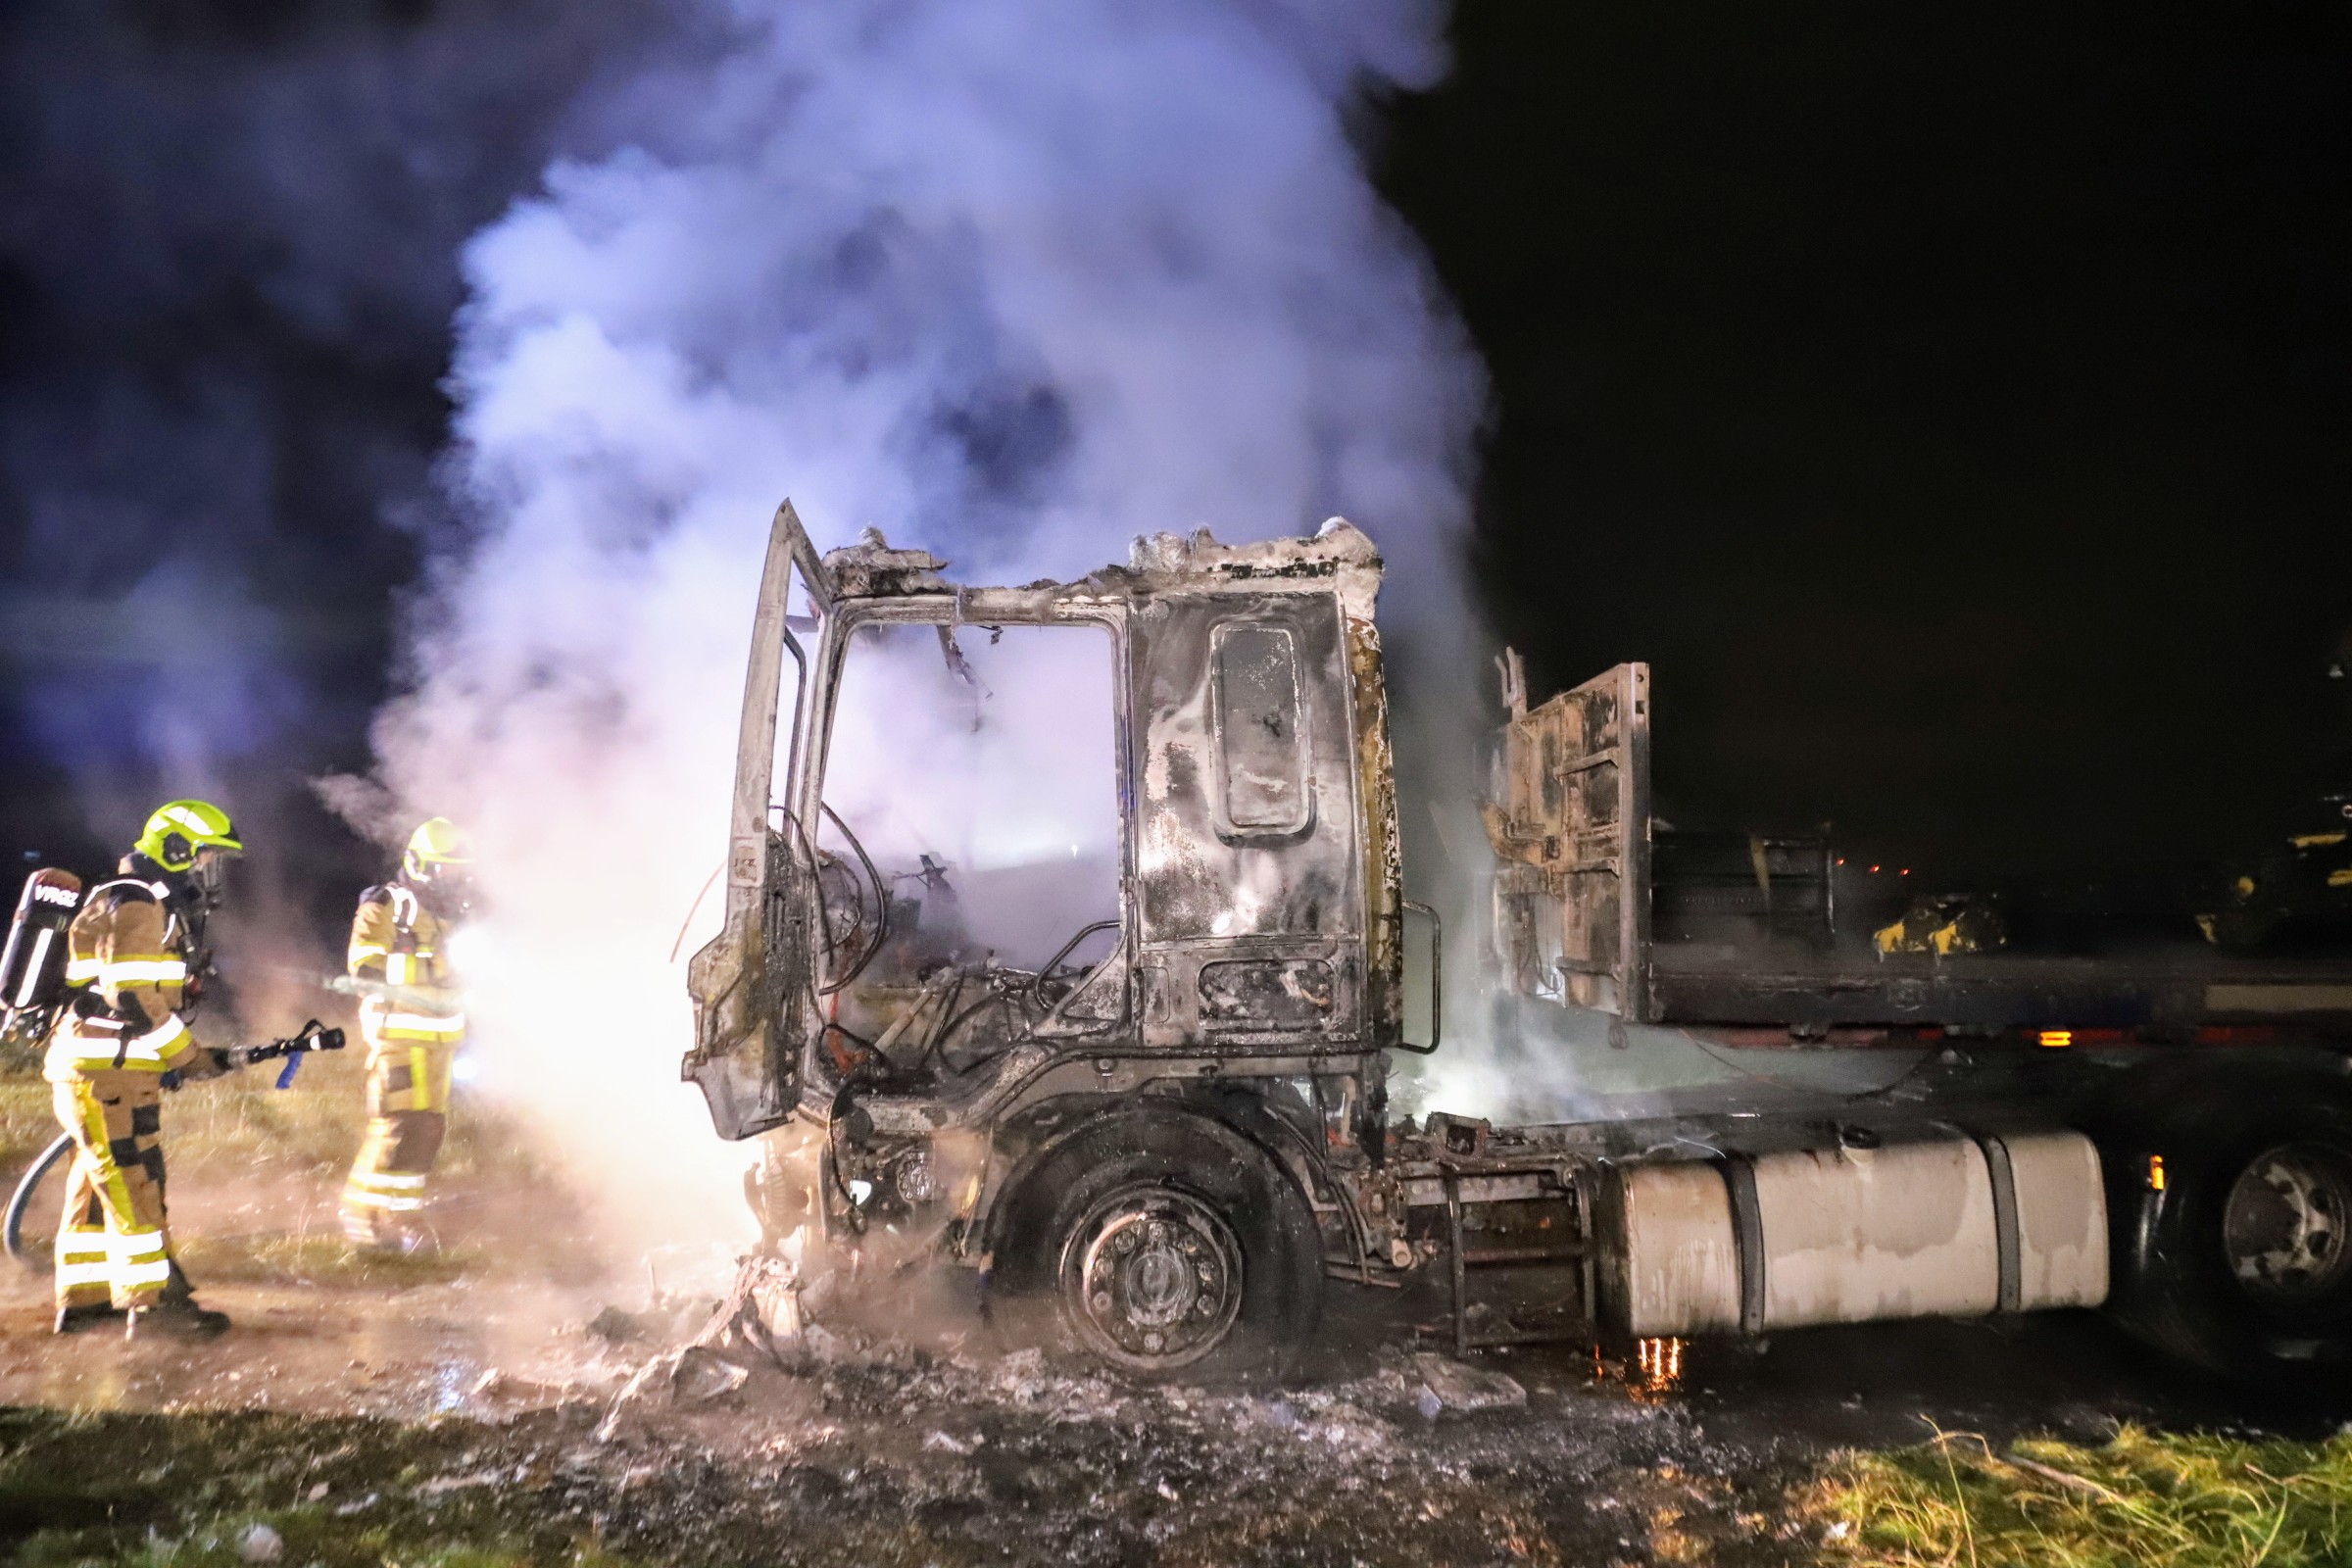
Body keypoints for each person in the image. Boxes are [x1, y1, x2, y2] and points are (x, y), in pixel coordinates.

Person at [47, 800, 243, 1336]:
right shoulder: (138, 903)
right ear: (175, 849)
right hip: (107, 1072)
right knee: (137, 1185)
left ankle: (85, 1302)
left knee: (96, 1186)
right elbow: (130, 994)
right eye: (204, 856)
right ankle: (154, 1310)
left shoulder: (128, 898)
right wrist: (188, 1058)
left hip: (101, 1068)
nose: (208, 869)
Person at [340, 817, 471, 1252]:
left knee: (427, 1128)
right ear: (418, 864)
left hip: (440, 1042)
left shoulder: (453, 915)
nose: (449, 879)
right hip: (396, 1036)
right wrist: (435, 968)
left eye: (456, 870)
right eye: (442, 869)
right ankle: (360, 1215)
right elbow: (365, 964)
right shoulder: (387, 903)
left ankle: (403, 1215)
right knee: (394, 1125)